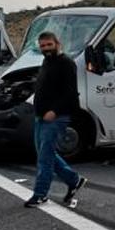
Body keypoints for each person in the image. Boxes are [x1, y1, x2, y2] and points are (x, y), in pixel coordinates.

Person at [25, 31, 87, 209]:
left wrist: (54, 111)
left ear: (57, 43)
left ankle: (40, 195)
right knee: (46, 154)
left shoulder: (67, 64)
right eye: (43, 46)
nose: (46, 49)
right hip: (41, 116)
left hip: (56, 117)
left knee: (44, 158)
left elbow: (70, 93)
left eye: (49, 45)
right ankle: (73, 180)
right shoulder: (47, 61)